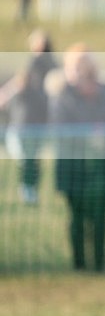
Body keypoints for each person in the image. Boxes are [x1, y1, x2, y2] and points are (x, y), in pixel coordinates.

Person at [52, 44, 105, 272]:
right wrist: (89, 137)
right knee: (77, 216)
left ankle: (100, 263)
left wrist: (104, 136)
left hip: (101, 165)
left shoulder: (104, 92)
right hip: (73, 166)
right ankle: (79, 264)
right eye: (76, 66)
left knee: (100, 216)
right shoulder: (63, 95)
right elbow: (61, 130)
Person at [0, 29, 58, 205]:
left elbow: (22, 81)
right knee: (31, 157)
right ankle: (29, 190)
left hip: (29, 119)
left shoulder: (37, 62)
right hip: (39, 118)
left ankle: (28, 190)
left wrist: (5, 94)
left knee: (28, 157)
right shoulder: (53, 63)